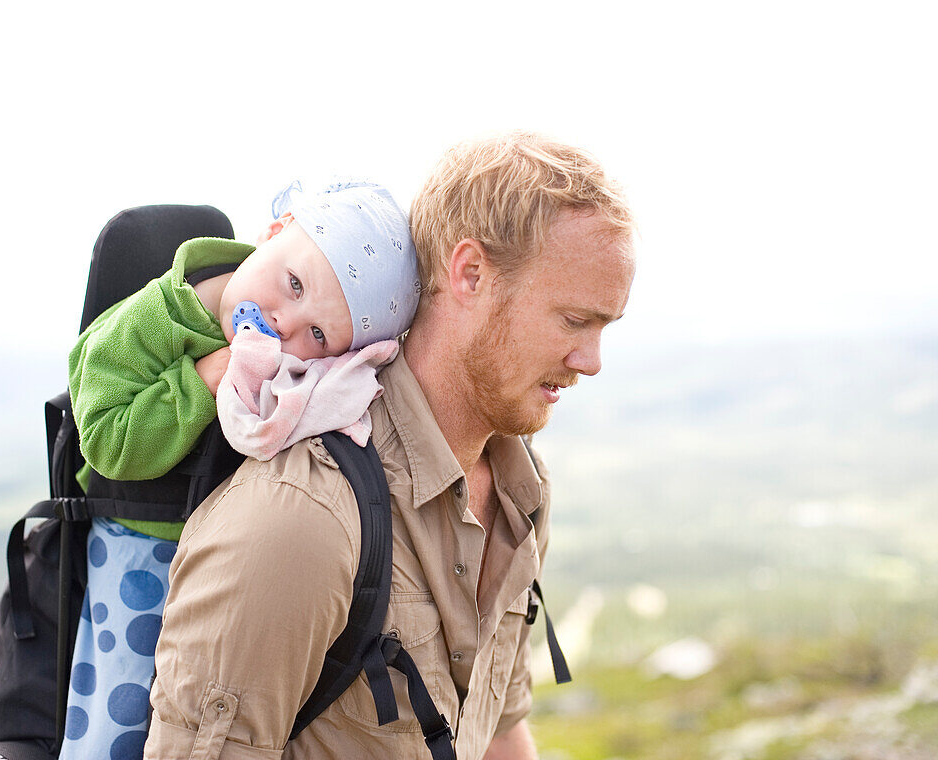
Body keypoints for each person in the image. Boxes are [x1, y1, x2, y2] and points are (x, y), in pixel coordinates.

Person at [143, 131, 637, 760]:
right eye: (574, 321)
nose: (591, 361)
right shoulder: (300, 520)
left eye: (603, 327)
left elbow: (498, 733)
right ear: (470, 274)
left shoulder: (518, 492)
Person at [61, 181, 420, 760]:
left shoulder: (297, 365)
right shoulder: (161, 314)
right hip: (143, 546)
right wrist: (210, 376)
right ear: (275, 233)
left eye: (319, 334)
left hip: (230, 567)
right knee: (119, 727)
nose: (285, 325)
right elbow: (106, 440)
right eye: (294, 284)